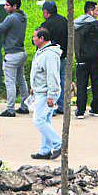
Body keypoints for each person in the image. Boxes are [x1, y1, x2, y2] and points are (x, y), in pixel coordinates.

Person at [28, 27, 63, 160]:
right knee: (45, 120)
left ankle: (59, 143)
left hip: (46, 93)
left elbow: (52, 76)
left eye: (35, 37)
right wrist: (33, 87)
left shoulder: (49, 54)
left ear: (42, 38)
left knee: (39, 120)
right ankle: (45, 150)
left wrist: (52, 95)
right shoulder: (42, 52)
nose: (33, 39)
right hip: (40, 91)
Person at [0, 0, 30, 117]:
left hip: (11, 54)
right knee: (21, 80)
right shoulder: (22, 16)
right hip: (21, 52)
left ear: (14, 6)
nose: (5, 7)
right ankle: (25, 105)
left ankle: (10, 109)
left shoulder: (11, 18)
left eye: (7, 5)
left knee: (10, 82)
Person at [72, 0, 98, 119]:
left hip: (81, 59)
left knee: (81, 84)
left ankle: (80, 110)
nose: (97, 12)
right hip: (96, 59)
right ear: (90, 11)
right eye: (96, 10)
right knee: (97, 84)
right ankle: (96, 108)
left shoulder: (76, 24)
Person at [38, 0, 69, 113]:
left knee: (51, 81)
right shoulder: (64, 20)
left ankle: (53, 107)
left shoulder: (46, 25)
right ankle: (62, 106)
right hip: (63, 56)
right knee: (61, 80)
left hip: (51, 58)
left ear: (46, 12)